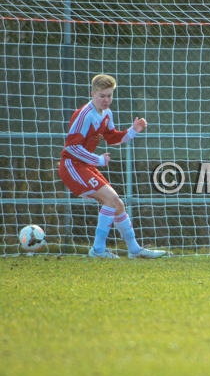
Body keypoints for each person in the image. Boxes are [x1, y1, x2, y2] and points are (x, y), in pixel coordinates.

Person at [58, 74, 166, 259]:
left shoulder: (107, 113)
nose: (106, 100)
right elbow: (72, 148)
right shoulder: (84, 115)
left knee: (118, 205)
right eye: (102, 96)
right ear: (92, 94)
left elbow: (112, 138)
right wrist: (98, 160)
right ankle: (98, 250)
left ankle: (134, 250)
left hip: (85, 165)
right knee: (111, 200)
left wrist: (133, 130)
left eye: (109, 95)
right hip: (72, 166)